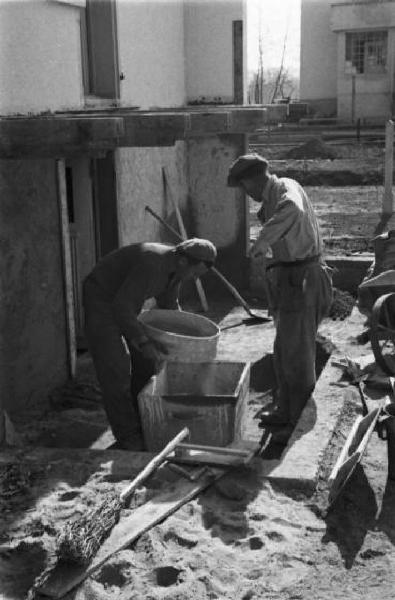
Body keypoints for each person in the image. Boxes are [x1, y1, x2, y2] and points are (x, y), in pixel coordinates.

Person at [227, 154, 332, 442]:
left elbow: (292, 210)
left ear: (251, 180)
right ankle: (285, 408)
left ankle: (297, 420)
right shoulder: (271, 199)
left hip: (304, 279)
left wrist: (263, 240)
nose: (246, 194)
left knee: (297, 354)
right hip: (289, 279)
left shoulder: (287, 188)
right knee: (284, 351)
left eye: (244, 187)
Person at [83, 238, 217, 450]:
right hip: (102, 300)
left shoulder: (177, 269)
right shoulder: (152, 263)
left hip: (124, 303)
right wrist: (143, 341)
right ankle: (127, 434)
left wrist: (182, 339)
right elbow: (122, 307)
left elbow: (169, 306)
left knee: (147, 363)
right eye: (195, 274)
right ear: (183, 261)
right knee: (116, 367)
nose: (194, 279)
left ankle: (142, 420)